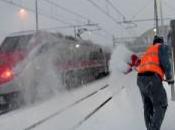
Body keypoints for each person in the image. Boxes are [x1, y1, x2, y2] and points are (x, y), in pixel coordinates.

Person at [136, 35, 174, 130]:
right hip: (151, 78)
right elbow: (167, 62)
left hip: (140, 79)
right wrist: (169, 77)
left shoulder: (148, 50)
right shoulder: (161, 47)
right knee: (161, 104)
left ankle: (150, 128)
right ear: (161, 42)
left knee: (148, 105)